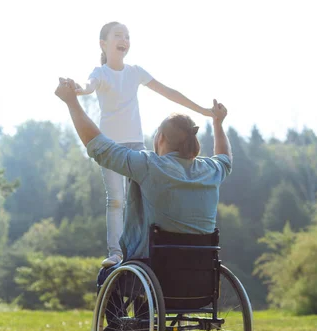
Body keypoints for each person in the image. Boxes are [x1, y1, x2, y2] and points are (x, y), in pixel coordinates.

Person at [76, 21, 215, 267]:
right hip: (110, 147)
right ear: (103, 43)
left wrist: (203, 111)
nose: (124, 40)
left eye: (127, 36)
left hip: (136, 145)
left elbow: (169, 92)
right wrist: (76, 90)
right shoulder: (100, 73)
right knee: (116, 199)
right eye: (118, 35)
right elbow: (87, 87)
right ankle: (116, 252)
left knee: (142, 199)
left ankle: (141, 248)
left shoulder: (135, 72)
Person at [55, 78, 231, 266]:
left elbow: (100, 148)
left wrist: (72, 102)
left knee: (105, 275)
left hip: (154, 269)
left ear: (161, 138)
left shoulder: (149, 165)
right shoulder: (211, 170)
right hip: (200, 275)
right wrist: (217, 123)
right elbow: (225, 159)